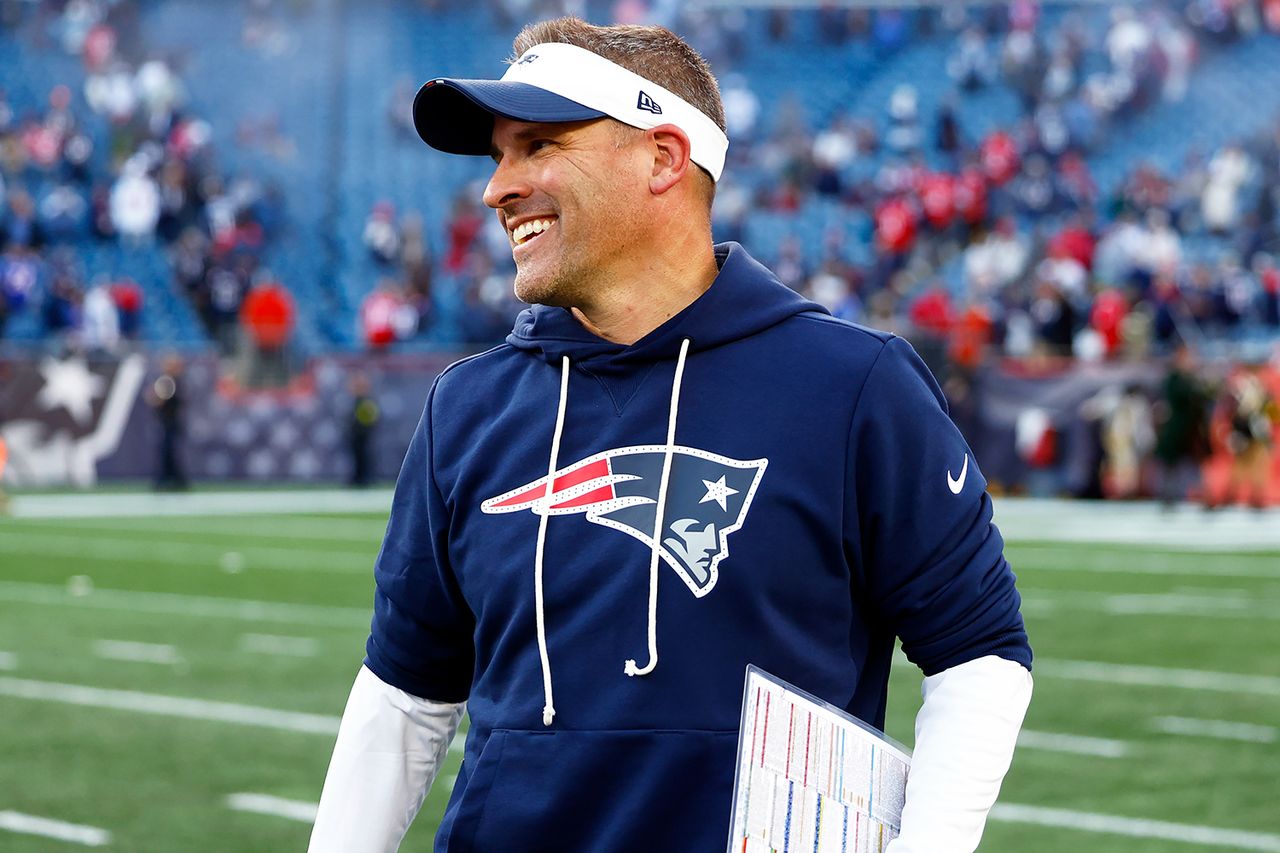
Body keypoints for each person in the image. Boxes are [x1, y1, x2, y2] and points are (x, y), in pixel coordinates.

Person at [310, 18, 1032, 853]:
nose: (497, 188)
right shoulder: (465, 406)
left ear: (662, 158)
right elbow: (405, 694)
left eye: (538, 145)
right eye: (499, 155)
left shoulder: (854, 386)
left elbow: (978, 654)